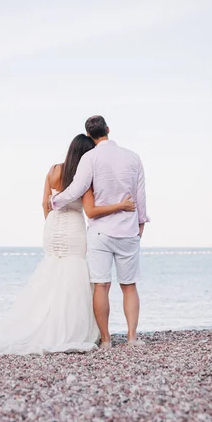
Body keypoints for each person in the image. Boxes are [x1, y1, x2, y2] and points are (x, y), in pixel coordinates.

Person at [0, 134, 135, 355]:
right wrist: (121, 206)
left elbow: (45, 203)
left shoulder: (53, 170)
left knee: (52, 271)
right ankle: (70, 328)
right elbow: (90, 210)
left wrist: (51, 225)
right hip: (73, 226)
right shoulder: (84, 177)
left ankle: (42, 322)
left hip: (53, 225)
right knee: (74, 273)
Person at [52, 117, 150, 348]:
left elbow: (77, 188)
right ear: (108, 129)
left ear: (89, 135)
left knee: (101, 285)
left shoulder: (90, 157)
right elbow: (140, 194)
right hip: (127, 230)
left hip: (100, 233)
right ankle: (132, 337)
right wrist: (141, 223)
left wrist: (56, 200)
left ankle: (105, 340)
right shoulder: (133, 157)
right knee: (129, 286)